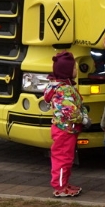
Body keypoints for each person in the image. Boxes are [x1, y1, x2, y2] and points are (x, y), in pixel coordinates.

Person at [43, 51, 86, 198]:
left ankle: (64, 183)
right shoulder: (64, 89)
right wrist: (82, 118)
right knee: (63, 158)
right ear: (67, 71)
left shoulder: (62, 87)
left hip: (66, 130)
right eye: (74, 68)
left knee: (66, 158)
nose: (76, 70)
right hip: (65, 131)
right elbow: (70, 110)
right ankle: (60, 187)